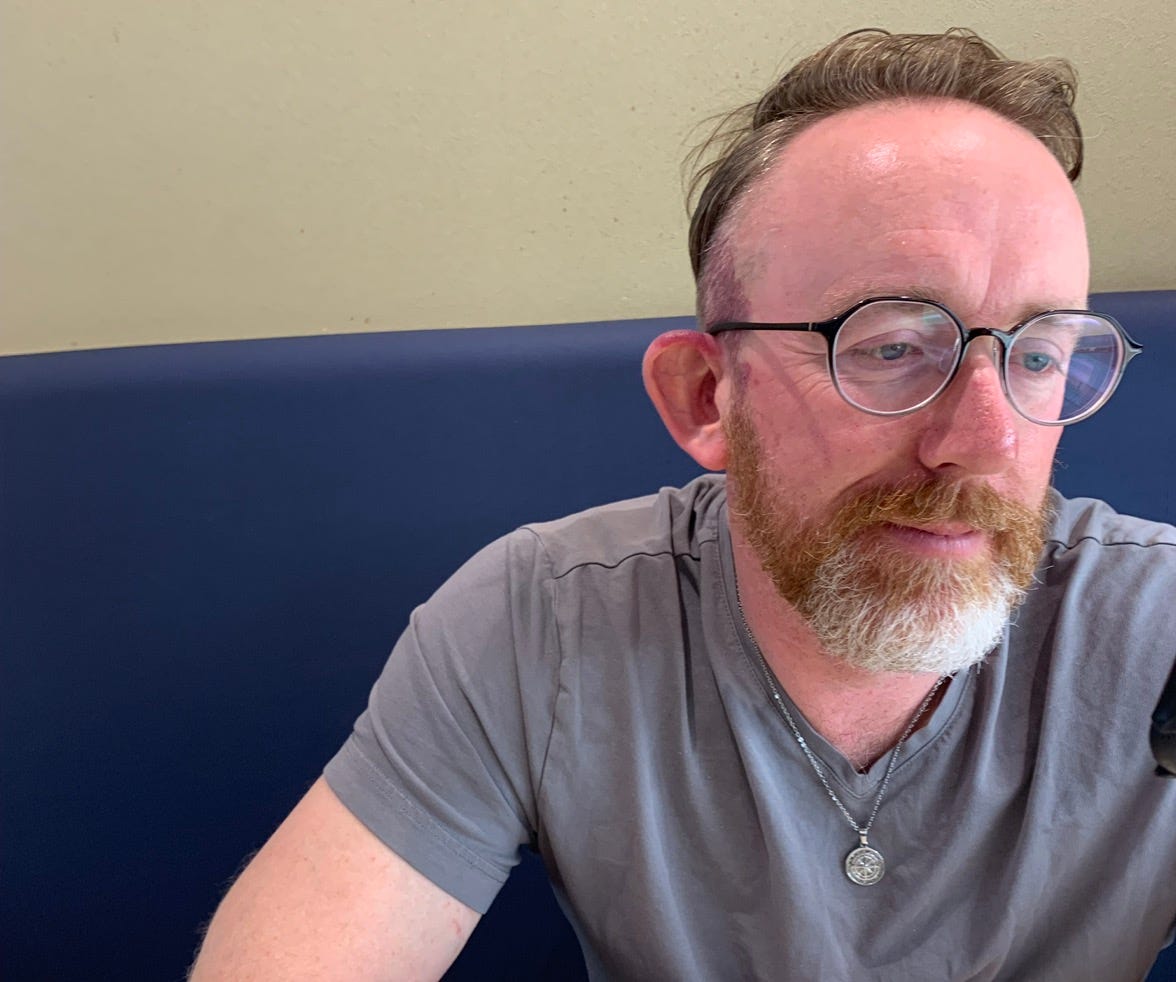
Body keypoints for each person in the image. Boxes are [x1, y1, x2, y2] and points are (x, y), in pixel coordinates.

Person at [190, 28, 1176, 981]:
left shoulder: (1159, 632)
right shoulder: (542, 627)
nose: (991, 441)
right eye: (891, 346)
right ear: (709, 398)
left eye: (1040, 355)